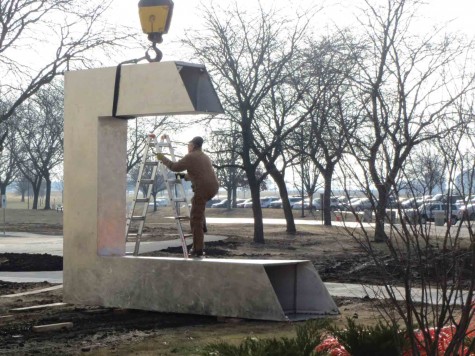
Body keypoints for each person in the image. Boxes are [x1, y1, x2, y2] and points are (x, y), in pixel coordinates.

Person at [156, 136, 219, 257]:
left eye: (188, 145)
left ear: (193, 145)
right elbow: (198, 173)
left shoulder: (191, 156)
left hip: (203, 189)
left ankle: (198, 250)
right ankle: (203, 226)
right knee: (197, 207)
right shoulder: (204, 156)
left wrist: (162, 158)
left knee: (195, 219)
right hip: (212, 188)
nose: (187, 147)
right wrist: (184, 176)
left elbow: (174, 167)